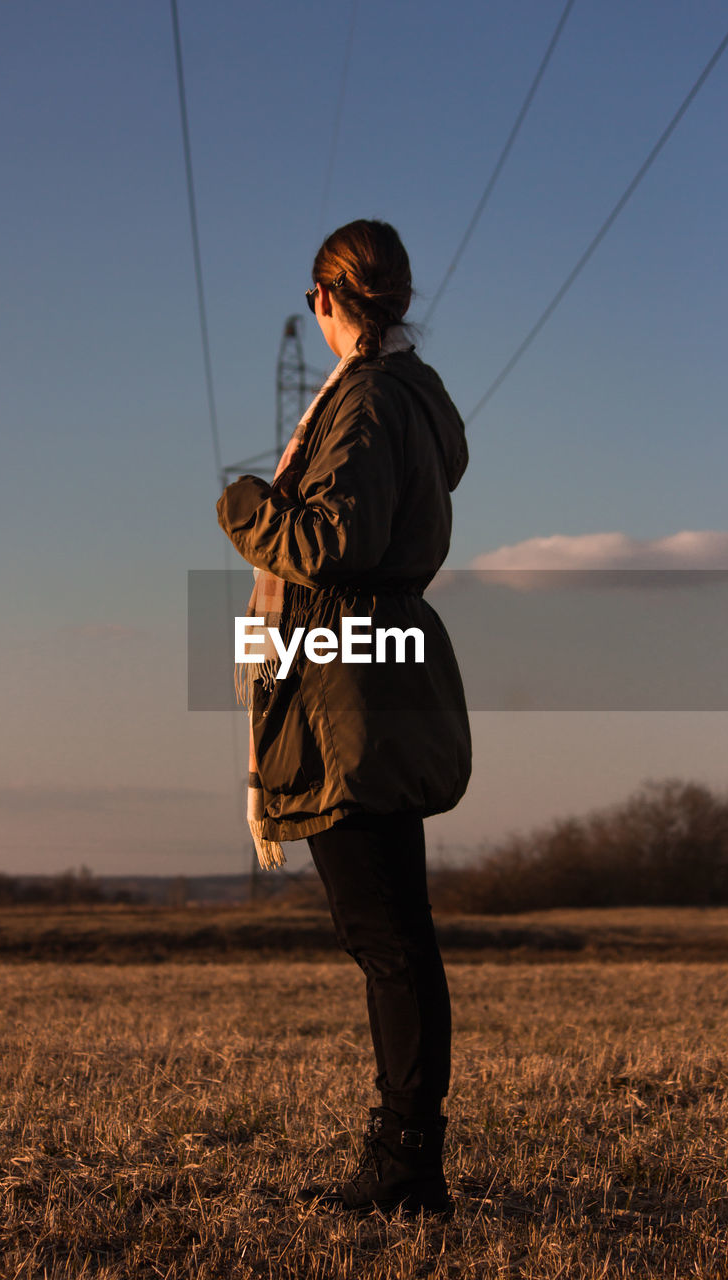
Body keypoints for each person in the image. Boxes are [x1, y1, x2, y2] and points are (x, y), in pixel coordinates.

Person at [216, 219, 471, 1216]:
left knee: (386, 936)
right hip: (364, 662)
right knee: (392, 929)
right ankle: (408, 1158)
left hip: (345, 674)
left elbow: (329, 539)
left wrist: (242, 507)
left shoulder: (362, 399)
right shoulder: (407, 394)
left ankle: (405, 1164)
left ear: (327, 300)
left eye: (316, 300)